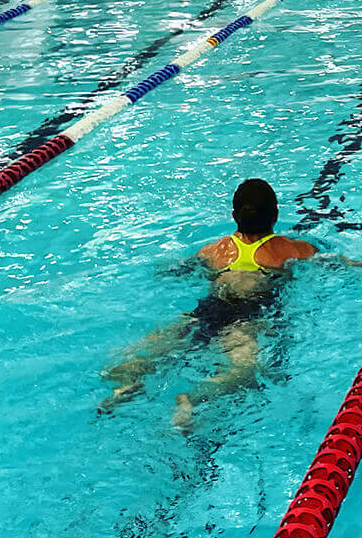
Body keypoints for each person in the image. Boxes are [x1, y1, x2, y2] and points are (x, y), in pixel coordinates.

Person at [100, 179, 319, 429]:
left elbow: (176, 270)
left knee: (132, 357)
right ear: (276, 215)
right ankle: (191, 400)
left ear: (234, 215)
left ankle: (126, 385)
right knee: (244, 372)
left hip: (205, 312)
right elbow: (335, 262)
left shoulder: (214, 250)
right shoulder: (291, 249)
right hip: (248, 317)